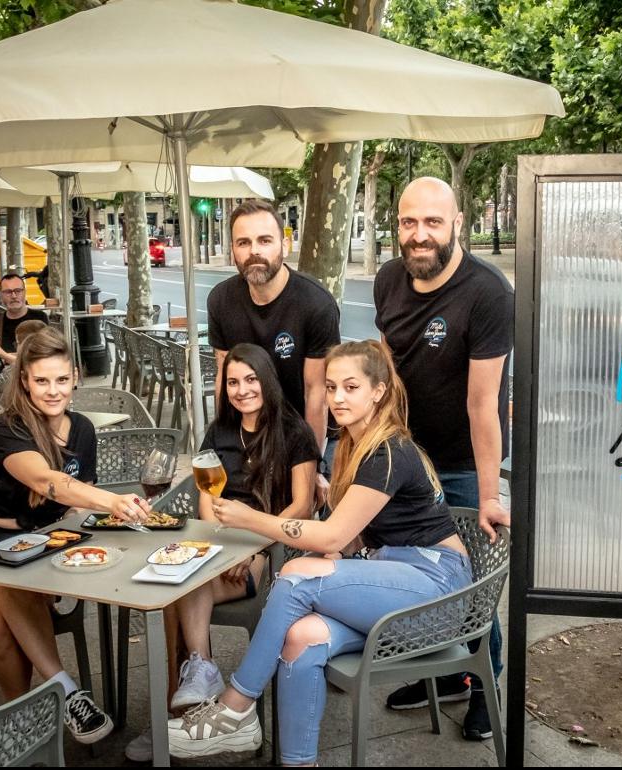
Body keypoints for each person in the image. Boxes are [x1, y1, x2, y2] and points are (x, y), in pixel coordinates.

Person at [166, 340, 473, 765]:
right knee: (300, 637)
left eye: (351, 387)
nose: (338, 398)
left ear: (378, 391)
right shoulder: (352, 447)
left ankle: (236, 706)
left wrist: (250, 519)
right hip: (395, 581)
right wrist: (330, 526)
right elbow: (349, 541)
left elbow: (331, 539)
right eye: (331, 387)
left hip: (437, 592)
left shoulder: (388, 452)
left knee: (298, 574)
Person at [0, 328, 149, 744]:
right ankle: (66, 693)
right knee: (9, 569)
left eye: (61, 380)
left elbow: (73, 508)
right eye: (42, 380)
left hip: (35, 549)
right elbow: (49, 482)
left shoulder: (82, 429)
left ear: (76, 378)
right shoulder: (8, 427)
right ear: (25, 381)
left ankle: (22, 715)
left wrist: (117, 527)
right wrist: (112, 501)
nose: (53, 391)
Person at [124, 343, 319, 762]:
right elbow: (205, 502)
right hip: (217, 544)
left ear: (266, 380)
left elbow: (301, 507)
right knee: (167, 591)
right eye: (233, 381)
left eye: (250, 379)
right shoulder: (219, 432)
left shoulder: (294, 432)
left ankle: (178, 710)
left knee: (175, 592)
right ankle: (194, 693)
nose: (241, 389)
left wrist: (252, 548)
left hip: (269, 550)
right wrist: (215, 548)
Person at [372, 177, 514, 740]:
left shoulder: (488, 293)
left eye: (433, 222)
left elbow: (485, 405)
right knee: (416, 570)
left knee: (470, 583)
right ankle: (449, 674)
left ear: (458, 224)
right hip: (404, 459)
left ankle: (487, 681)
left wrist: (487, 495)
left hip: (457, 461)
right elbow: (386, 370)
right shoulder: (387, 279)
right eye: (409, 222)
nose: (419, 234)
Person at [206, 200, 340, 490]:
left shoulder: (316, 303)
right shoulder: (221, 300)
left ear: (285, 244)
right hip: (252, 430)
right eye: (243, 242)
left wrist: (313, 465)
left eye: (264, 240)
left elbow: (316, 392)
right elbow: (223, 375)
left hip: (306, 431)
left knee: (304, 519)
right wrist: (224, 443)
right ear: (233, 250)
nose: (254, 251)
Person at [0, 273, 49, 365]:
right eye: (8, 292)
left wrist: (5, 356)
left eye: (18, 291)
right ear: (1, 295)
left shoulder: (40, 318)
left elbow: (46, 354)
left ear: (24, 292)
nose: (13, 296)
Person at [0, 319, 47, 391]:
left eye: (17, 343)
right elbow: (24, 361)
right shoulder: (50, 363)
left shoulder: (14, 370)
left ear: (23, 345)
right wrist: (3, 355)